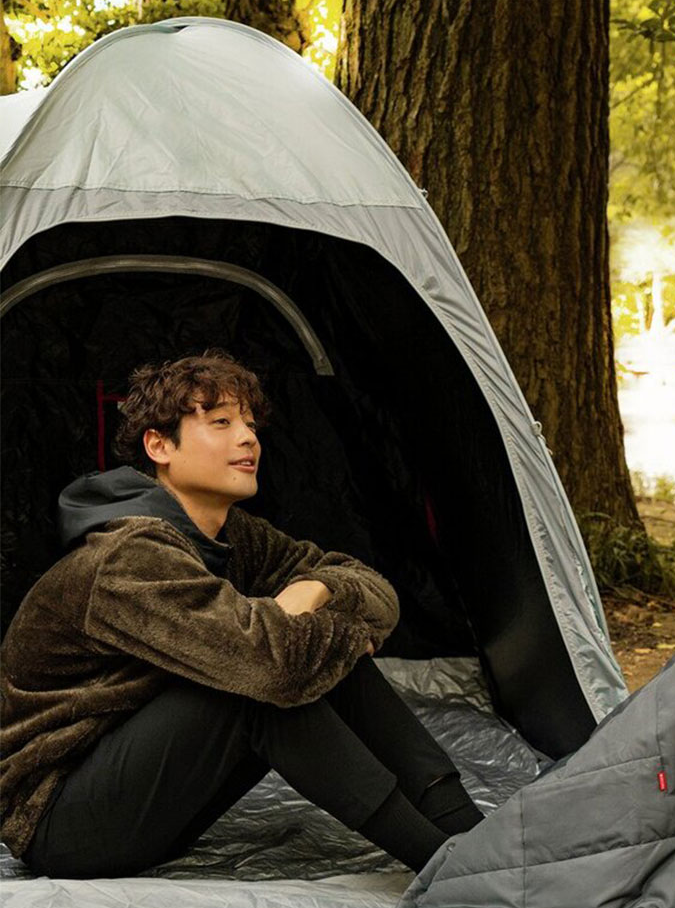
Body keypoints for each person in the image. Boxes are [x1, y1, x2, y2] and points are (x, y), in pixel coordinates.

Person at [0, 351, 483, 878]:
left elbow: (376, 592)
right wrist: (338, 632)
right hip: (60, 819)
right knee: (256, 688)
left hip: (152, 804)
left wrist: (317, 587)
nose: (248, 438)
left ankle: (476, 838)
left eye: (250, 424)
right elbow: (271, 669)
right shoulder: (128, 556)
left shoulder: (235, 536)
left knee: (310, 663)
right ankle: (450, 870)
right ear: (160, 446)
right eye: (221, 423)